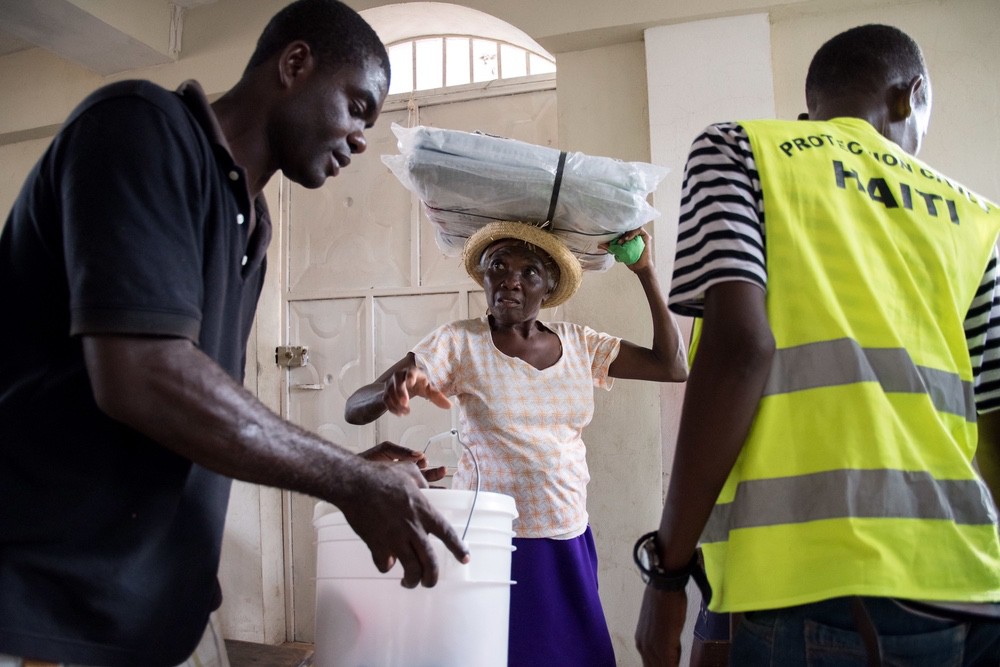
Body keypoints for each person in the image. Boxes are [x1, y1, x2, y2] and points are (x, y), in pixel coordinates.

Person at [0, 1, 469, 665]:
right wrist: (345, 480)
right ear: (295, 64)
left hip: (165, 611)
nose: (362, 139)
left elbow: (198, 409)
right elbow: (145, 376)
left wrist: (349, 470)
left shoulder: (249, 225)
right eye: (357, 106)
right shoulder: (140, 128)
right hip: (53, 611)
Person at [634, 23, 1000, 667]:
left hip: (817, 586)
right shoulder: (976, 216)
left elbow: (741, 348)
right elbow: (994, 422)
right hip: (971, 585)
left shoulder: (741, 149)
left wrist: (668, 572)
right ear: (909, 97)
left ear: (810, 114)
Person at [345, 220, 689, 666]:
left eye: (529, 272)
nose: (510, 279)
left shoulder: (582, 344)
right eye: (498, 267)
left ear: (548, 287)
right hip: (489, 539)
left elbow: (672, 366)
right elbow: (356, 406)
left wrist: (646, 271)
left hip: (564, 535)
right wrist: (392, 387)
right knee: (491, 653)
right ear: (484, 279)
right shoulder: (459, 342)